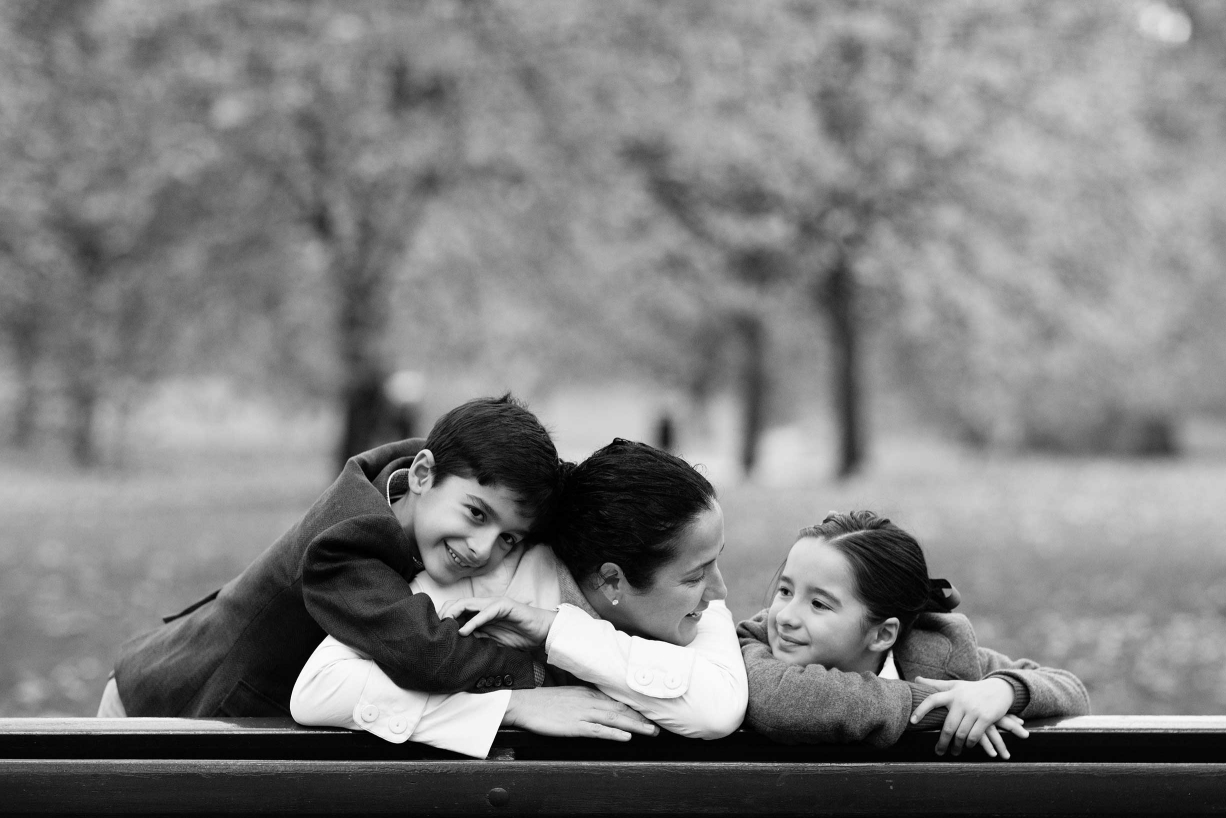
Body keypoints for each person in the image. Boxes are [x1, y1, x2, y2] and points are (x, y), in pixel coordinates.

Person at [99, 395, 566, 718]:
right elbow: (422, 650)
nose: (483, 548)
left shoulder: (422, 476)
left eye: (509, 539)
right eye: (476, 514)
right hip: (169, 705)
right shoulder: (344, 544)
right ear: (422, 475)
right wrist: (541, 677)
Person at [291, 439, 748, 758]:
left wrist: (555, 631)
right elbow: (319, 690)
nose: (720, 591)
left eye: (716, 562)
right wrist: (510, 706)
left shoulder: (698, 599)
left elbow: (718, 709)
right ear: (611, 582)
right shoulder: (486, 582)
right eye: (696, 577)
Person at [737, 511, 1089, 759]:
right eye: (785, 591)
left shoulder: (940, 651)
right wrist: (939, 707)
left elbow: (1071, 691)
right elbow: (783, 704)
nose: (785, 616)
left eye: (818, 603)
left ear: (881, 634)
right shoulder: (750, 647)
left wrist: (1001, 690)